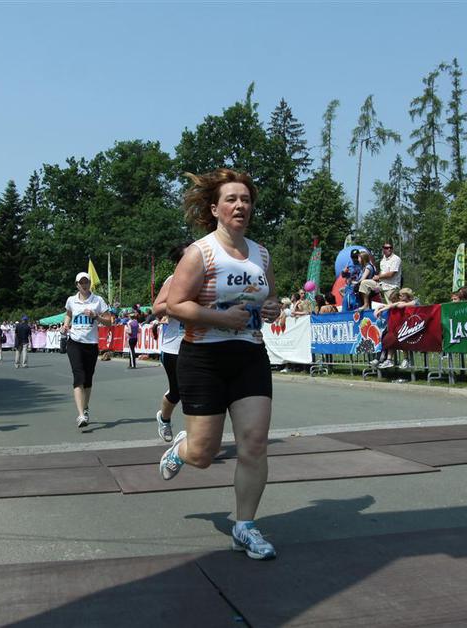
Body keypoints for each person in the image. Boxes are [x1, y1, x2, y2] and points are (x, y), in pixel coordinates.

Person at [160, 168, 281, 560]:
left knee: (255, 443)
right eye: (231, 199)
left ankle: (245, 526)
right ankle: (182, 449)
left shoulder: (261, 254)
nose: (240, 205)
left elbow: (271, 298)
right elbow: (174, 305)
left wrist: (272, 308)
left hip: (249, 356)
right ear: (215, 209)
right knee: (203, 454)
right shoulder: (201, 253)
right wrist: (221, 318)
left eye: (245, 199)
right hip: (204, 359)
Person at [61, 272, 114, 429]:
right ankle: (81, 415)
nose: (84, 285)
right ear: (77, 285)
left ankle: (85, 408)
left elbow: (109, 322)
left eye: (86, 282)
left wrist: (96, 316)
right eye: (81, 283)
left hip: (91, 344)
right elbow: (68, 314)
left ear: (90, 283)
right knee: (79, 376)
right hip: (74, 342)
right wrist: (66, 325)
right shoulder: (71, 300)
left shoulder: (98, 300)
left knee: (88, 380)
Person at [153, 242, 191, 443]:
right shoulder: (173, 280)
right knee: (177, 391)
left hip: (198, 344)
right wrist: (179, 306)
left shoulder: (206, 280)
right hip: (174, 347)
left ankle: (195, 436)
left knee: (196, 390)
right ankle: (164, 418)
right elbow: (157, 308)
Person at [371, 288, 420, 369]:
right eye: (399, 295)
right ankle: (388, 360)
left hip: (409, 328)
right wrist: (378, 309)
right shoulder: (398, 303)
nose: (400, 297)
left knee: (401, 340)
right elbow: (390, 305)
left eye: (401, 295)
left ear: (406, 295)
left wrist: (382, 309)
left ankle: (406, 360)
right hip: (398, 328)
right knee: (390, 340)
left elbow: (397, 305)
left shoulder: (407, 303)